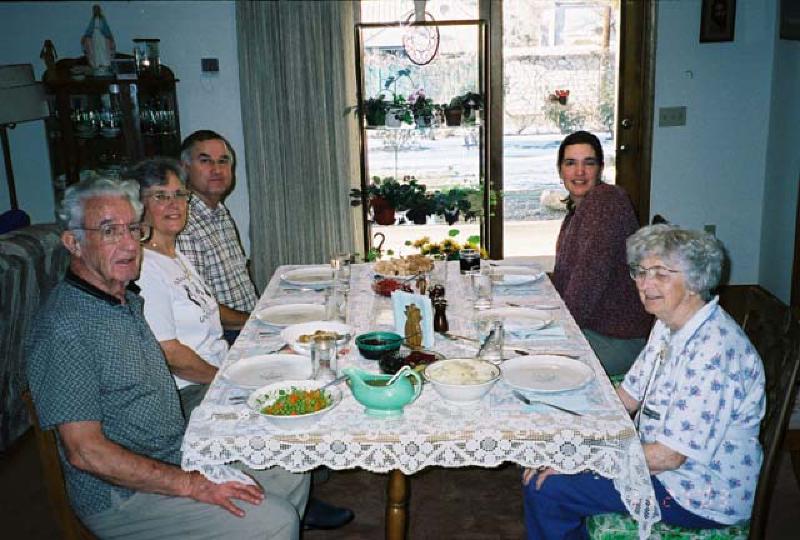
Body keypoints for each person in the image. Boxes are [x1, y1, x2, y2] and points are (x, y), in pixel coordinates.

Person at [26, 174, 310, 538]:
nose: (129, 244)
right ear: (73, 243)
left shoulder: (125, 299)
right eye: (110, 231)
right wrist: (192, 484)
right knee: (276, 519)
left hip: (175, 450)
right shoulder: (65, 327)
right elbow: (86, 453)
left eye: (133, 229)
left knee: (288, 463)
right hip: (121, 495)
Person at [523, 224, 765, 539]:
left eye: (662, 274)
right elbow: (626, 397)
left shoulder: (714, 352)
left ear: (695, 281)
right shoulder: (669, 324)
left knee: (548, 490)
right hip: (665, 467)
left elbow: (669, 456)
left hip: (698, 491)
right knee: (547, 450)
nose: (646, 284)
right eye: (641, 272)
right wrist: (567, 434)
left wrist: (582, 458)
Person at [128, 157, 226, 417]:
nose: (174, 205)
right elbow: (168, 353)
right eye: (160, 196)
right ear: (139, 206)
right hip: (187, 393)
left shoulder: (175, 254)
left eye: (180, 195)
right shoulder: (144, 268)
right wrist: (224, 382)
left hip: (216, 372)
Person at [551, 130, 652, 376]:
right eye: (571, 163)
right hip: (593, 329)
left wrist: (556, 331)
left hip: (617, 340)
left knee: (539, 364)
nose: (579, 172)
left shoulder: (606, 202)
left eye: (589, 163)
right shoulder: (578, 209)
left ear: (601, 168)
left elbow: (588, 279)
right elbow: (567, 278)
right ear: (560, 170)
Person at [176, 130, 255, 345]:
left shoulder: (219, 212)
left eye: (223, 161)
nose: (217, 169)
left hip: (244, 325)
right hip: (221, 337)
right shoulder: (182, 223)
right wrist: (256, 322)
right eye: (205, 161)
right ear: (185, 168)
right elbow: (197, 306)